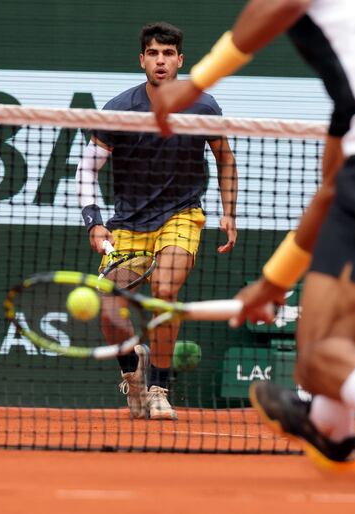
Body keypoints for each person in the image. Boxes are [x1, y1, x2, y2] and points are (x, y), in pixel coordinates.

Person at [151, 0, 355, 491]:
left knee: (322, 353)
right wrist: (273, 283)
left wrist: (193, 85)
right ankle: (333, 429)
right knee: (330, 345)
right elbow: (331, 193)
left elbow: (279, 3)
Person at [75, 22, 238, 421]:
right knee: (110, 313)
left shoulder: (202, 106)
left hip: (182, 214)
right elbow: (86, 171)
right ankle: (133, 375)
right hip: (129, 224)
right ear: (142, 60)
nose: (160, 61)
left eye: (168, 54)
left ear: (180, 60)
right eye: (153, 53)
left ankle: (159, 388)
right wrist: (94, 222)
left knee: (165, 291)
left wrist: (229, 211)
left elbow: (224, 159)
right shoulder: (119, 109)